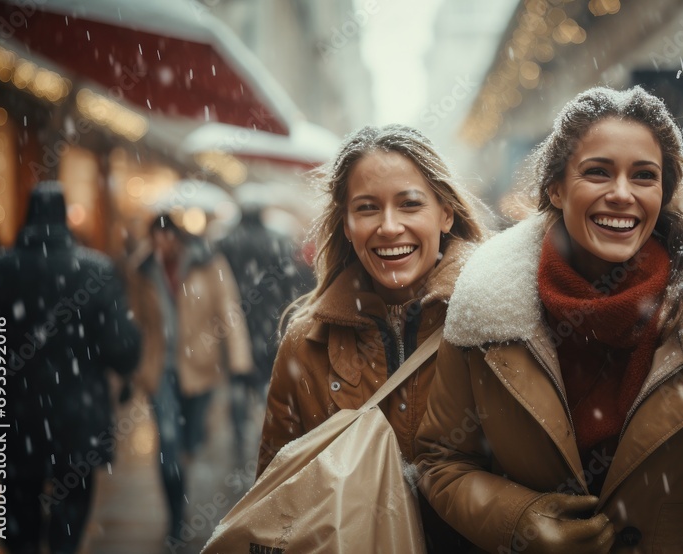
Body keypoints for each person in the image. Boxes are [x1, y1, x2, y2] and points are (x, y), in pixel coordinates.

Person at [414, 87, 683, 553]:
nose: (622, 194)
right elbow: (442, 462)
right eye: (598, 172)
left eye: (644, 176)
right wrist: (517, 521)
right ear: (555, 189)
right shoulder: (484, 308)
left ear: (663, 193)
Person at [256, 124, 485, 552]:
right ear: (346, 223)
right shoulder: (307, 343)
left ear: (446, 213)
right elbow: (277, 501)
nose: (389, 226)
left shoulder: (496, 321)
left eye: (410, 204)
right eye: (367, 208)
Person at [0, 182, 141, 553]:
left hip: (13, 418)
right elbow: (123, 348)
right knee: (72, 507)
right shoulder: (94, 270)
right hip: (76, 418)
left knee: (17, 511)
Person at [129, 212, 253, 543]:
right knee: (168, 444)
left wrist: (238, 361)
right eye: (156, 238)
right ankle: (174, 515)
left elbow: (229, 309)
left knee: (193, 439)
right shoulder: (142, 269)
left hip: (200, 367)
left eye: (167, 237)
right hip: (161, 371)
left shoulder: (208, 263)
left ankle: (183, 462)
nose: (162, 245)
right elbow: (137, 321)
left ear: (178, 237)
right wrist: (133, 370)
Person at [217, 206, 312, 463]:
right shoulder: (278, 241)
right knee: (268, 383)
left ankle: (238, 436)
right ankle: (270, 434)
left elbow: (219, 286)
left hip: (236, 323)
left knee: (237, 384)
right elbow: (290, 284)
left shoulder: (224, 242)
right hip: (270, 322)